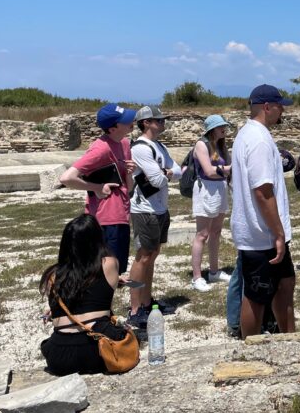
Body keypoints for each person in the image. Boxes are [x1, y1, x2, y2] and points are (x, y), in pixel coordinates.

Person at [229, 84, 296, 337]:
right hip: (262, 235)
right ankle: (252, 345)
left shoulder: (250, 135)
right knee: (257, 295)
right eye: (280, 106)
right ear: (267, 107)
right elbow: (262, 190)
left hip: (263, 232)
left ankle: (289, 337)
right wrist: (278, 233)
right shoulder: (257, 140)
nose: (282, 111)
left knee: (285, 284)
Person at [39, 214, 132, 375]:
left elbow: (75, 293)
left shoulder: (51, 275)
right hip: (95, 349)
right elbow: (104, 301)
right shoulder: (109, 263)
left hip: (58, 354)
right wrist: (116, 281)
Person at [59, 103, 137, 276]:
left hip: (122, 214)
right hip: (104, 219)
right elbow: (66, 178)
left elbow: (128, 188)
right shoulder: (100, 148)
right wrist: (96, 187)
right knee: (104, 273)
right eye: (125, 120)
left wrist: (130, 173)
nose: (132, 121)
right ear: (112, 128)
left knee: (117, 271)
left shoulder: (124, 143)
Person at [127, 105, 179, 328]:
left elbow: (177, 171)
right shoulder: (140, 148)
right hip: (144, 209)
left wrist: (166, 173)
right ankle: (135, 308)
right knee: (143, 257)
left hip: (159, 208)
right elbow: (158, 180)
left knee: (153, 254)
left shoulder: (158, 146)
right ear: (146, 123)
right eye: (157, 120)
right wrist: (166, 173)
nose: (162, 123)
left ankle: (147, 302)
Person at [190, 114, 232, 292]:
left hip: (220, 189)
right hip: (206, 189)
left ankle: (214, 271)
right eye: (221, 126)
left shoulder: (222, 146)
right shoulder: (201, 144)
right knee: (202, 234)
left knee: (216, 232)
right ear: (212, 128)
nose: (224, 129)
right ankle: (197, 276)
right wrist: (231, 168)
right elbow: (208, 170)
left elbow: (223, 171)